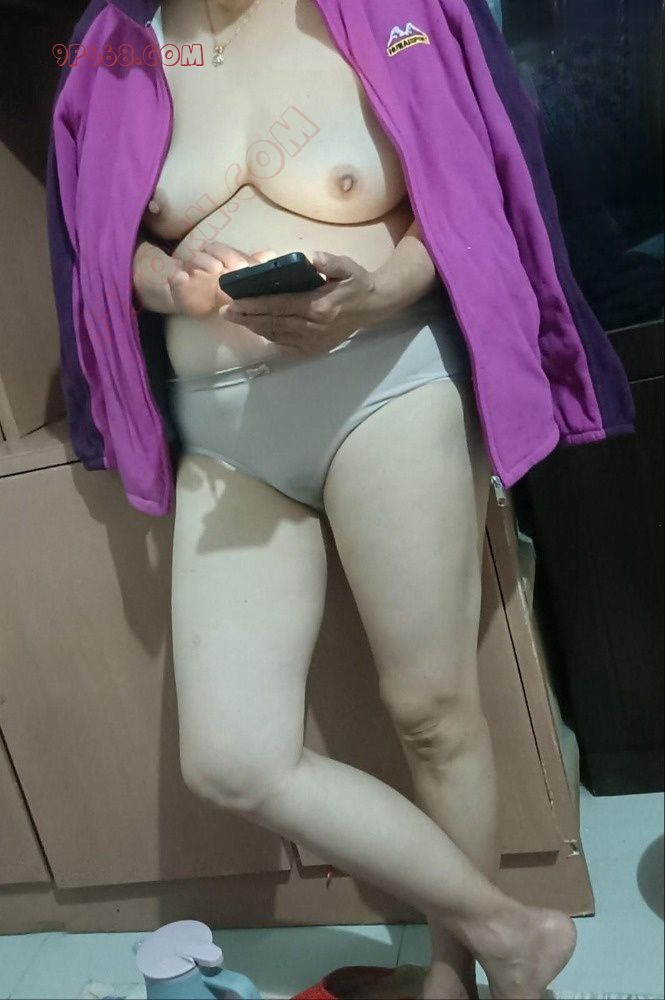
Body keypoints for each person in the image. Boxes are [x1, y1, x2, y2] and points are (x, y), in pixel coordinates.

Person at [130, 2, 577, 998]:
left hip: (385, 379)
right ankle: (512, 935)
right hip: (223, 431)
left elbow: (467, 185)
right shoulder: (118, 48)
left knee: (430, 712)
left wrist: (375, 292)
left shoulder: (382, 9)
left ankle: (450, 982)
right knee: (232, 758)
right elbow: (97, 236)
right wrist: (168, 281)